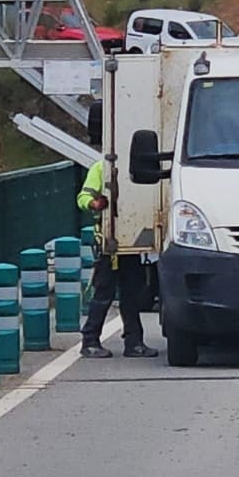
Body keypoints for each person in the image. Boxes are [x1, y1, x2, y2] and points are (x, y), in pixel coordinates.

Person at [78, 102, 158, 359]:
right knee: (103, 292)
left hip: (131, 239)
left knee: (132, 293)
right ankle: (90, 340)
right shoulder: (101, 168)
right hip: (109, 241)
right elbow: (83, 197)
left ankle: (133, 343)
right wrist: (95, 202)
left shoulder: (135, 167)